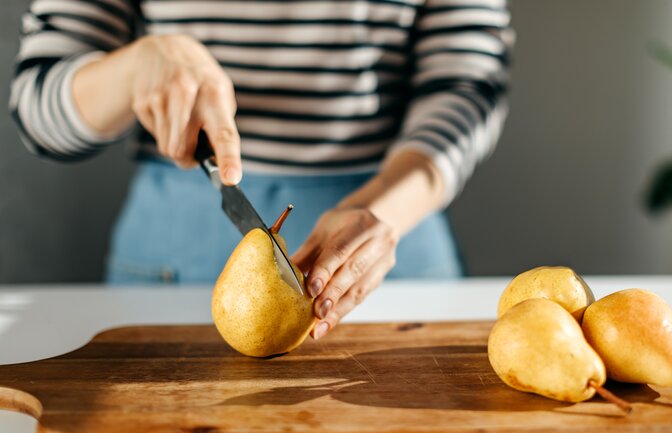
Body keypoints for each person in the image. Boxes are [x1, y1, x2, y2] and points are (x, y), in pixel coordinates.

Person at [9, 0, 512, 339]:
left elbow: (467, 86)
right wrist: (135, 68)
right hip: (172, 252)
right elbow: (38, 106)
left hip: (387, 236)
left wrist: (383, 210)